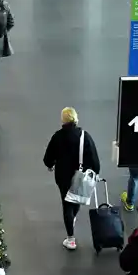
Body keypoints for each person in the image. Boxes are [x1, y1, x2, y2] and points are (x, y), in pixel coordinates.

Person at [43, 107, 100, 251]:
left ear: (63, 120)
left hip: (63, 177)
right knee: (77, 199)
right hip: (81, 176)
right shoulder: (84, 136)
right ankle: (73, 218)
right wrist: (94, 173)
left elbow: (48, 157)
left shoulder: (57, 136)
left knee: (66, 204)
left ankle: (71, 239)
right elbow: (94, 159)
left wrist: (50, 165)